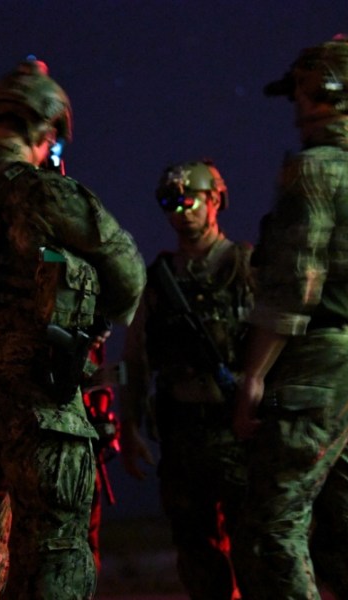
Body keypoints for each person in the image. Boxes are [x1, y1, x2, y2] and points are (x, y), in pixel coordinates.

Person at [0, 58, 146, 599]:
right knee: (56, 555)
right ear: (47, 131)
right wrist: (88, 318)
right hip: (39, 395)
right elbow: (129, 278)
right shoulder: (42, 191)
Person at [230, 35, 348, 599]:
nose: (297, 107)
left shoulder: (313, 169)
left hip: (320, 359)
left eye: (304, 92)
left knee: (271, 523)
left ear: (327, 93)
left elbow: (295, 282)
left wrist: (254, 374)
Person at [119, 160, 253, 600]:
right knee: (196, 552)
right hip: (181, 430)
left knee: (256, 547)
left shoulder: (245, 267)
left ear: (215, 200)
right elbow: (137, 355)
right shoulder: (158, 279)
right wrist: (131, 424)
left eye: (187, 199)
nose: (179, 210)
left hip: (238, 427)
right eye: (168, 202)